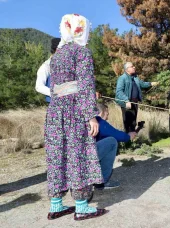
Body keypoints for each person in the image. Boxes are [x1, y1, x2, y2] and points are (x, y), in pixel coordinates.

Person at [45, 14, 107, 221]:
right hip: (74, 109)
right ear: (81, 29)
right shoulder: (82, 52)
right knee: (77, 154)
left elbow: (54, 86)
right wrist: (91, 115)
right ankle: (81, 206)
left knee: (57, 155)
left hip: (55, 110)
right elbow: (86, 85)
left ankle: (56, 205)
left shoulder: (58, 54)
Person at [94, 102, 137, 190]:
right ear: (102, 112)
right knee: (112, 141)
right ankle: (102, 181)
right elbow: (116, 134)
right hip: (87, 156)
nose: (108, 117)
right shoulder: (98, 120)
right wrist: (128, 136)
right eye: (107, 114)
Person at [115, 62, 159, 132]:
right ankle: (128, 141)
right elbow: (119, 92)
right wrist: (126, 100)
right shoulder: (122, 78)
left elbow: (142, 84)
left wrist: (151, 83)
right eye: (132, 66)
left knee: (133, 122)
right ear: (127, 69)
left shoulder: (135, 77)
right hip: (127, 103)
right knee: (128, 123)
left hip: (135, 102)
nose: (134, 67)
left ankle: (133, 140)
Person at [35, 38, 61, 102]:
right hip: (53, 104)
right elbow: (39, 86)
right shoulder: (46, 66)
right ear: (57, 50)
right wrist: (55, 93)